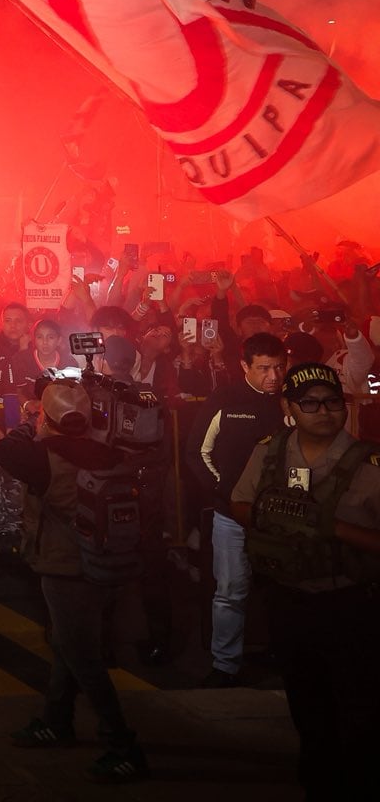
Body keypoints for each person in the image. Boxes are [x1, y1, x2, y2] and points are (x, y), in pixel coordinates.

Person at [230, 363, 380, 800]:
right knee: (305, 701)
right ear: (289, 408)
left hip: (351, 602)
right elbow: (239, 502)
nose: (324, 411)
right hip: (289, 600)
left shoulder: (370, 461)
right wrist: (273, 518)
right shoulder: (271, 452)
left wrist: (327, 527)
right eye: (310, 403)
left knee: (359, 708)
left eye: (333, 401)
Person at [0, 380, 150, 784]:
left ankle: (122, 744)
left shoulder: (41, 456)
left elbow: (5, 449)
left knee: (81, 655)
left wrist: (29, 421)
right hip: (106, 562)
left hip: (65, 566)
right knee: (67, 643)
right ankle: (55, 720)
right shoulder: (109, 451)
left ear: (47, 416)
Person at [184, 331, 287, 687]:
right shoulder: (225, 398)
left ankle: (284, 654)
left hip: (282, 516)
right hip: (231, 515)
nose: (272, 376)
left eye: (277, 367)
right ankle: (225, 664)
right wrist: (226, 495)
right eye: (263, 368)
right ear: (244, 365)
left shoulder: (290, 401)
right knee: (230, 591)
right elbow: (197, 451)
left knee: (284, 588)